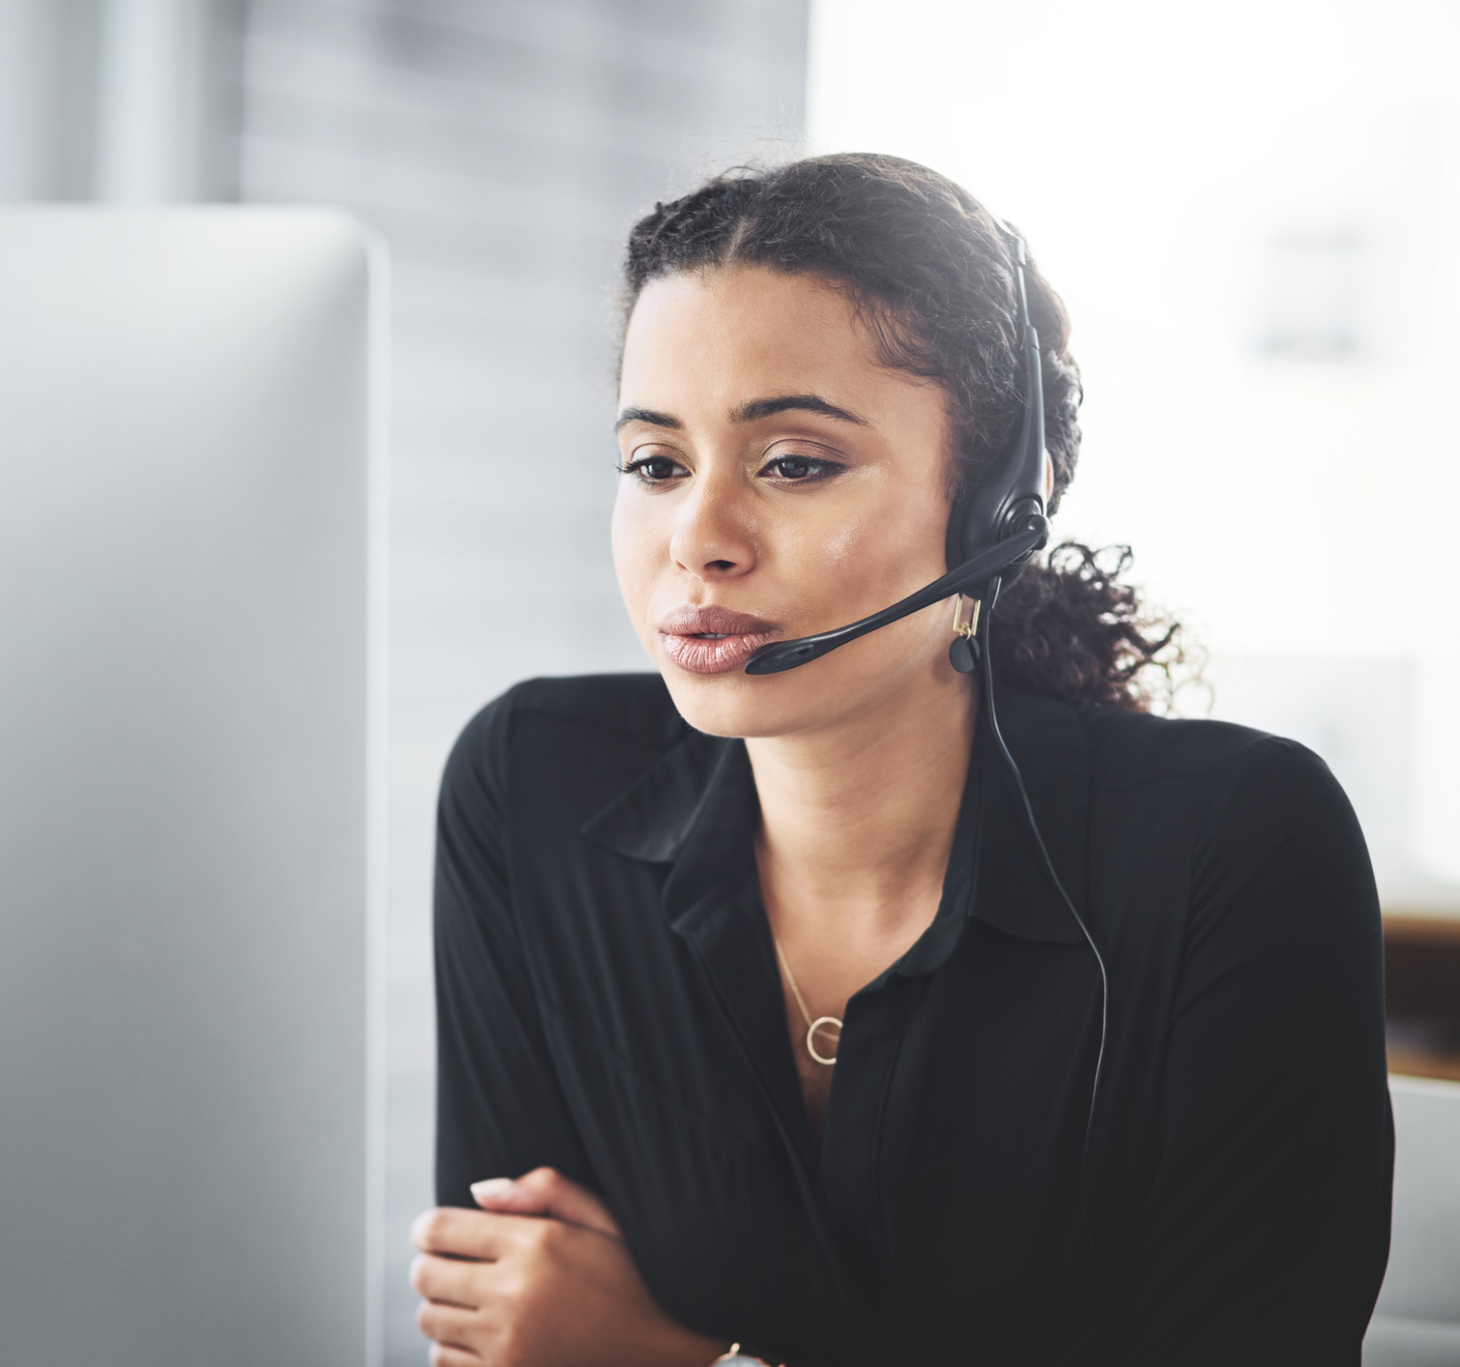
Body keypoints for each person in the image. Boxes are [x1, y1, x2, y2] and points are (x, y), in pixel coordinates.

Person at [410, 154, 1393, 1367]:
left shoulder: (1233, 848)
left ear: (989, 513)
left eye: (794, 463)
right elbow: (504, 1330)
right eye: (655, 464)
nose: (696, 541)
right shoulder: (532, 790)